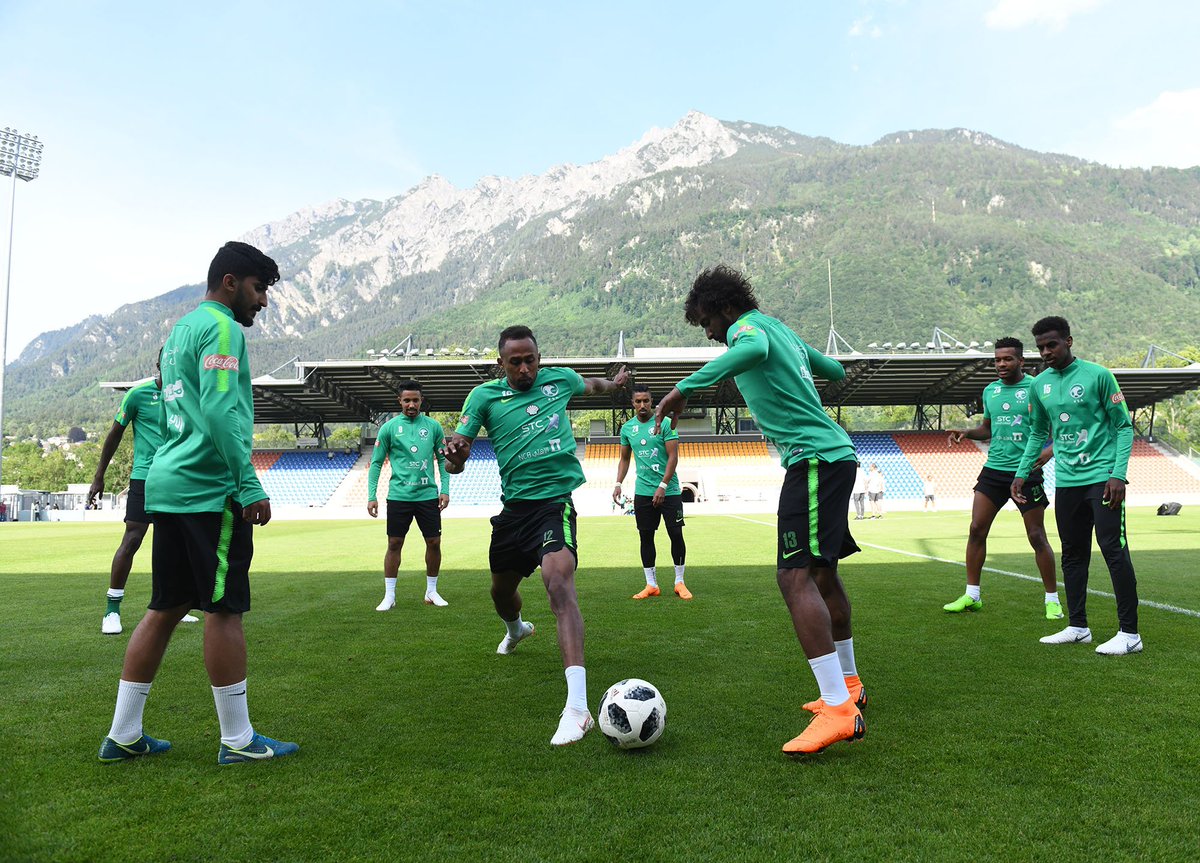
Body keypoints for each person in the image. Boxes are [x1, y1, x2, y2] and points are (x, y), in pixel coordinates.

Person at [97, 241, 298, 765]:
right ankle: (238, 740)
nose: (263, 301)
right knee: (224, 610)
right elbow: (220, 408)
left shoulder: (180, 330)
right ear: (230, 282)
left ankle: (123, 734)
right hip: (210, 489)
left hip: (168, 484)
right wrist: (247, 483)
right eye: (259, 289)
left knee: (165, 607)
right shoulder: (223, 329)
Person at [653, 265, 865, 757]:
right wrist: (800, 364)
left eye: (709, 323)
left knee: (794, 578)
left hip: (813, 459)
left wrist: (684, 388)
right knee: (822, 575)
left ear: (727, 308)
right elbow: (835, 371)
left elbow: (752, 349)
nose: (711, 334)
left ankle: (839, 710)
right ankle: (849, 686)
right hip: (833, 455)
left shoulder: (747, 330)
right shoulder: (780, 329)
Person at [442, 325, 629, 746]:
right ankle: (516, 630)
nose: (525, 369)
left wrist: (615, 384)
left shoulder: (559, 380)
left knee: (558, 580)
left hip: (553, 504)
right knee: (500, 592)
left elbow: (593, 385)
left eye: (530, 360)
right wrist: (456, 458)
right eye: (516, 362)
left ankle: (577, 709)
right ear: (501, 364)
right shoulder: (483, 397)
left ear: (539, 358)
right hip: (514, 512)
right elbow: (456, 457)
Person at [1012, 316, 1140, 655]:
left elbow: (1123, 427)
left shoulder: (1098, 375)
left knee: (1113, 549)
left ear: (1068, 341)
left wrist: (1118, 474)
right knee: (1072, 553)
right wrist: (1022, 473)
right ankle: (1078, 627)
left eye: (1051, 345)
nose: (1046, 352)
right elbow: (1038, 433)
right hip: (1067, 482)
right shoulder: (1040, 385)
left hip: (1102, 478)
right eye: (1040, 347)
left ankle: (1130, 634)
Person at [945, 337, 1061, 619]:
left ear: (1021, 361)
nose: (1001, 364)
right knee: (976, 529)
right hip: (994, 470)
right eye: (997, 360)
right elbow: (988, 429)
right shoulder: (991, 391)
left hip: (1027, 471)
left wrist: (1049, 452)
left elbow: (1060, 425)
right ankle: (972, 596)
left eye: (1007, 359)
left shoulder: (1037, 387)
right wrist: (967, 433)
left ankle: (1052, 600)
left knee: (1036, 536)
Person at [89, 351, 198, 634]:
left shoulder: (187, 394)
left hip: (178, 477)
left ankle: (173, 606)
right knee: (133, 539)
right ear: (160, 364)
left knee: (176, 543)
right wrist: (99, 476)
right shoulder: (137, 395)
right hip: (145, 477)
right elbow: (115, 433)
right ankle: (111, 610)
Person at [368, 380, 451, 610]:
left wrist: (444, 489)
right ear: (400, 401)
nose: (411, 405)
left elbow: (443, 460)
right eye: (407, 400)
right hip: (399, 496)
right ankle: (389, 596)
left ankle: (431, 591)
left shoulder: (433, 427)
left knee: (434, 542)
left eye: (415, 400)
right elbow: (376, 463)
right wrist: (371, 495)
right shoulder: (389, 428)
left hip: (427, 495)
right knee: (394, 543)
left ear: (421, 401)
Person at [613, 384, 691, 600]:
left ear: (652, 401)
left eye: (646, 400)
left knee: (676, 534)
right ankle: (651, 584)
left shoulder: (666, 423)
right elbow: (624, 459)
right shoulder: (627, 429)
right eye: (638, 401)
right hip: (643, 492)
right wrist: (618, 483)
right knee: (646, 537)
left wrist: (663, 486)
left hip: (670, 490)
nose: (642, 405)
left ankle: (679, 582)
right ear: (632, 404)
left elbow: (673, 457)